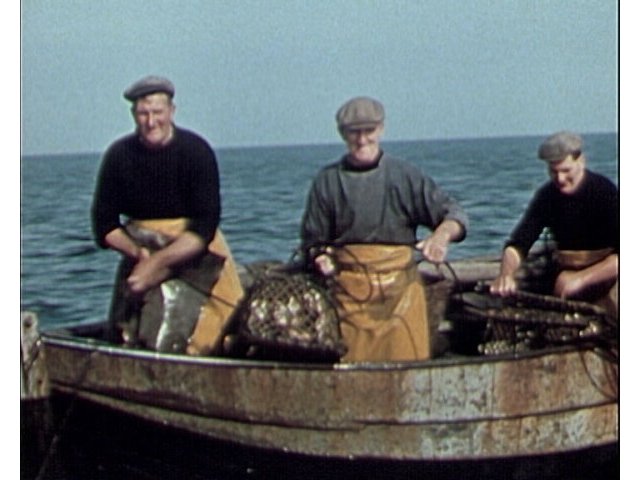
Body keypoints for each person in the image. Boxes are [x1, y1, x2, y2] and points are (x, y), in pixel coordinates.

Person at [300, 96, 468, 362]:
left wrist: (441, 236)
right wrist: (320, 257)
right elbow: (312, 241)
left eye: (369, 130)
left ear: (381, 129)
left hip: (400, 293)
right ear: (342, 134)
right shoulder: (327, 181)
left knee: (407, 367)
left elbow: (454, 215)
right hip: (348, 295)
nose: (362, 139)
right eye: (354, 132)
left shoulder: (405, 175)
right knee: (352, 372)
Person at [91, 75, 244, 355]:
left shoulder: (196, 151)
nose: (151, 122)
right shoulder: (118, 155)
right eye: (143, 113)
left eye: (157, 112)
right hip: (140, 249)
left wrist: (158, 263)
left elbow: (205, 227)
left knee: (220, 326)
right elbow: (104, 225)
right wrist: (139, 254)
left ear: (172, 112)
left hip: (196, 251)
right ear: (134, 115)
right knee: (129, 331)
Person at [490, 131, 618, 316]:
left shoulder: (604, 192)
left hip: (610, 281)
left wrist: (580, 279)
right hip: (565, 279)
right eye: (553, 172)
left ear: (581, 161)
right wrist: (506, 275)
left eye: (566, 171)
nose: (560, 179)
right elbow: (518, 244)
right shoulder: (547, 196)